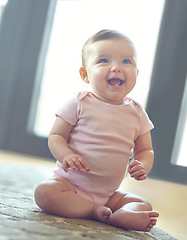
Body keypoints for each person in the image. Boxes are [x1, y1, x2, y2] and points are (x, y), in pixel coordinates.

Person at [34, 29, 159, 232]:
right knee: (45, 192)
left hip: (109, 194)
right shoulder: (79, 102)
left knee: (142, 204)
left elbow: (146, 150)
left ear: (137, 73)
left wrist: (142, 164)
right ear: (85, 74)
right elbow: (56, 136)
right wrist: (66, 155)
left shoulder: (137, 113)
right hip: (69, 185)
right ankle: (93, 211)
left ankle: (121, 214)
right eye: (104, 61)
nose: (117, 67)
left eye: (127, 61)